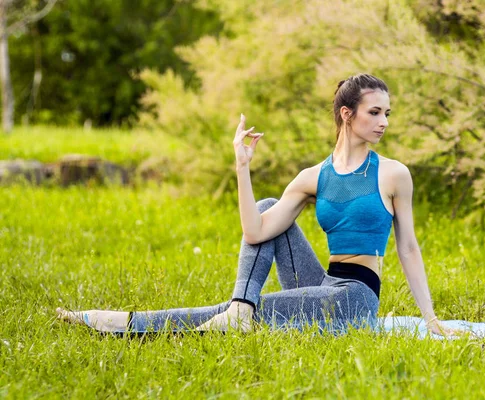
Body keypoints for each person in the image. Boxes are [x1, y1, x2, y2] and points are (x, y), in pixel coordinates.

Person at [57, 73, 461, 336]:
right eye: (375, 112)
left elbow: (408, 247)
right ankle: (239, 307)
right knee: (268, 207)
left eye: (387, 113)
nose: (384, 121)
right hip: (318, 285)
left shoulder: (393, 174)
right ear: (346, 114)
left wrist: (430, 319)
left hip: (354, 297)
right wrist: (242, 167)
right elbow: (256, 232)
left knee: (248, 311)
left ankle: (125, 324)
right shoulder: (311, 177)